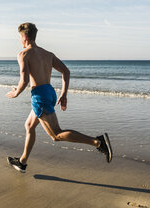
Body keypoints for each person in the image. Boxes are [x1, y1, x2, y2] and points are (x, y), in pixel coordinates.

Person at [6, 22, 112, 173]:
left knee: (56, 134)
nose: (19, 41)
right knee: (29, 126)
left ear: (25, 37)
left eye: (20, 37)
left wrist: (15, 93)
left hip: (39, 96)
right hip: (49, 91)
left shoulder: (23, 54)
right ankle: (22, 161)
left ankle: (98, 142)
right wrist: (63, 94)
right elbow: (66, 72)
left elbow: (25, 80)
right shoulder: (48, 54)